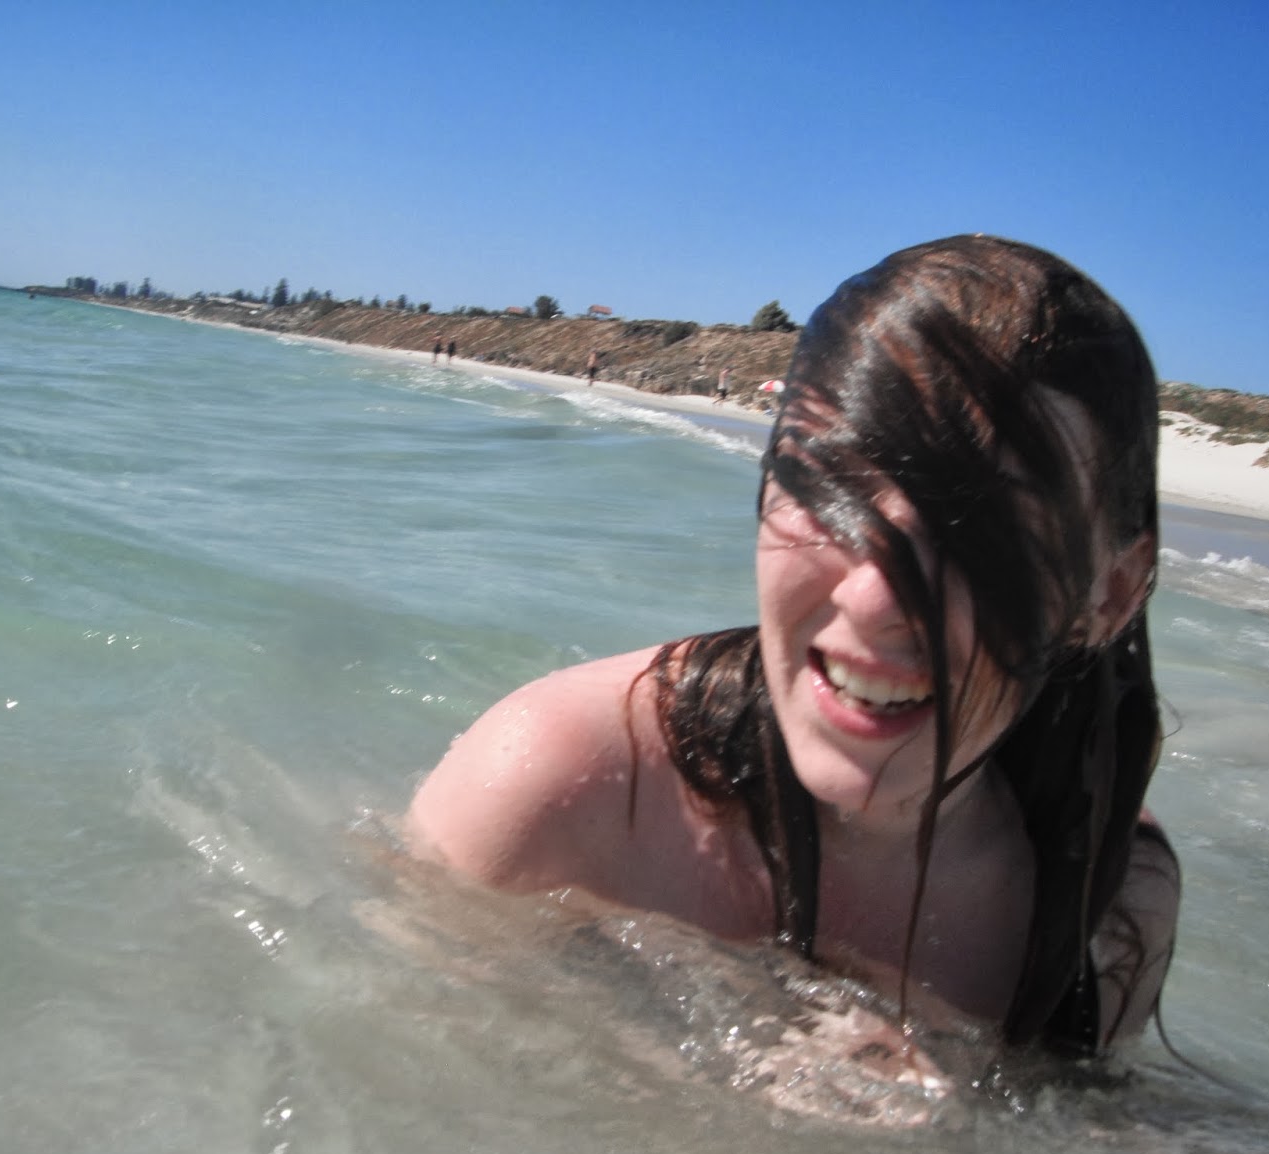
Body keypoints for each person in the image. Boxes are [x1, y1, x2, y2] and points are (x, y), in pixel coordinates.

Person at [408, 235, 1179, 1057]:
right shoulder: (557, 787)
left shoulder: (1107, 900)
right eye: (832, 485)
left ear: (1112, 594)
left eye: (986, 530)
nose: (873, 600)